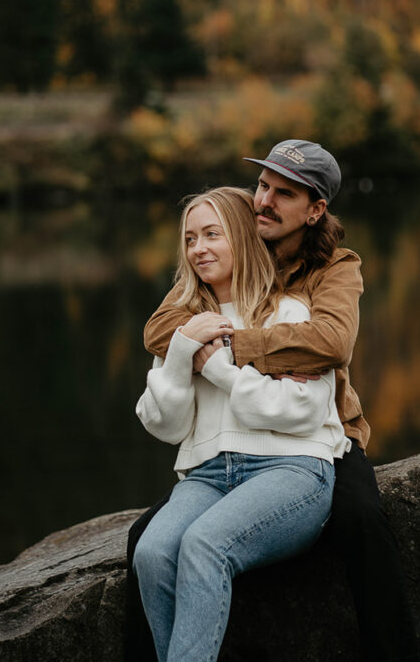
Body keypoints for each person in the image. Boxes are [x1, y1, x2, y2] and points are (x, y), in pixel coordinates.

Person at [126, 140, 417, 662]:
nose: (265, 200)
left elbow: (328, 344)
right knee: (146, 543)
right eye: (263, 185)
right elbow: (160, 328)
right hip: (221, 456)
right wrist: (190, 342)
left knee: (361, 519)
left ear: (315, 209)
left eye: (284, 193)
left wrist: (224, 349)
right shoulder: (224, 249)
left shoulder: (333, 266)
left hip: (320, 437)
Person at [134, 186, 349, 662]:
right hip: (209, 475)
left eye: (213, 234)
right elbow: (164, 424)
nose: (198, 248)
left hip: (291, 470)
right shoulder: (183, 325)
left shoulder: (289, 314)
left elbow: (303, 409)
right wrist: (180, 357)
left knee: (204, 546)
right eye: (190, 238)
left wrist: (216, 369)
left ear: (243, 238)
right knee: (151, 554)